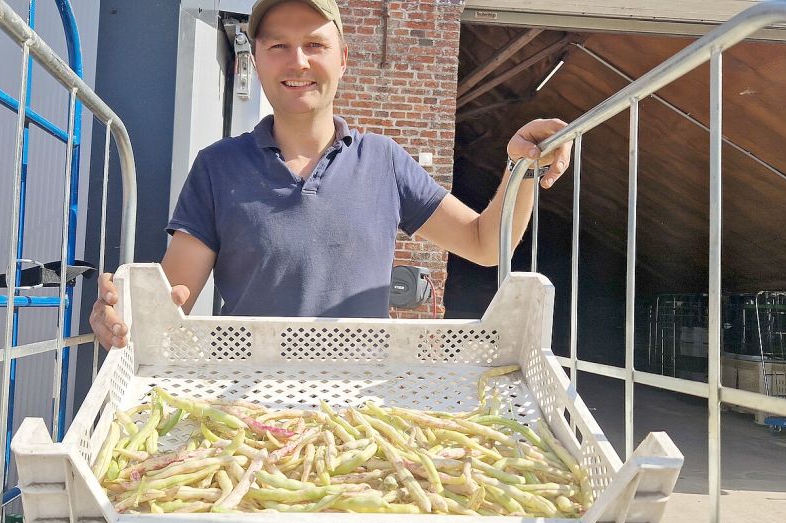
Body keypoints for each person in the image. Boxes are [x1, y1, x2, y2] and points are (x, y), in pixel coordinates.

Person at [91, 0, 572, 349]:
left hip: (357, 403)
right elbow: (170, 300)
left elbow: (487, 243)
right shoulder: (217, 166)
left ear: (342, 60)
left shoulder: (384, 161)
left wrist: (521, 170)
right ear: (255, 60)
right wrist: (125, 315)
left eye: (314, 45)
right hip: (243, 405)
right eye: (278, 45)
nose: (297, 61)